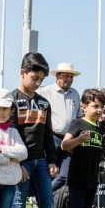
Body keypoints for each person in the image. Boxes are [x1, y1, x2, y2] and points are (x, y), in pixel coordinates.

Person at [10, 52, 61, 208]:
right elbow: (10, 134)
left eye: (42, 80)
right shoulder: (10, 100)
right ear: (22, 73)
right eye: (35, 78)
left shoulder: (44, 103)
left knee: (47, 204)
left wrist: (52, 160)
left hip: (41, 161)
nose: (38, 83)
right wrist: (17, 162)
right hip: (20, 162)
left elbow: (48, 134)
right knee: (18, 207)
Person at [57, 89, 104, 208]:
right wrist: (79, 140)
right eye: (95, 106)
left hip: (92, 178)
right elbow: (64, 145)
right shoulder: (78, 123)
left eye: (101, 106)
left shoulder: (98, 129)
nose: (99, 109)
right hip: (78, 176)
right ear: (84, 106)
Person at [38, 63, 82, 192]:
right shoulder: (44, 92)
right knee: (47, 172)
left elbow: (78, 116)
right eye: (66, 76)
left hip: (69, 138)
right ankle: (43, 199)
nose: (69, 79)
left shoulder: (75, 93)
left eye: (71, 77)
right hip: (51, 137)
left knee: (65, 174)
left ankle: (43, 196)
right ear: (57, 76)